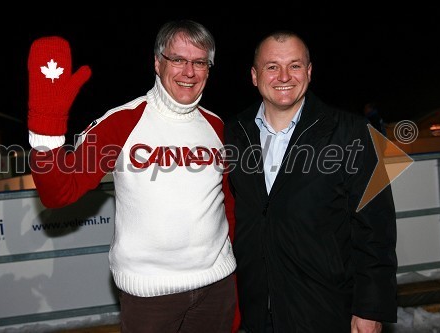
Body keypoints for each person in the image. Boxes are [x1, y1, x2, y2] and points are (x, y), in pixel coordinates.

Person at [27, 20, 239, 332]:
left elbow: (227, 205)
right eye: (178, 59)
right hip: (151, 295)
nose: (189, 72)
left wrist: (231, 281)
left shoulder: (218, 126)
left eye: (199, 62)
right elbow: (58, 193)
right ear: (157, 62)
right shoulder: (122, 123)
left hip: (216, 288)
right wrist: (45, 130)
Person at [224, 30, 397, 332]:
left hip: (326, 310)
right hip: (255, 311)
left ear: (309, 71)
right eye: (272, 66)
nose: (284, 76)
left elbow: (377, 229)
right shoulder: (233, 133)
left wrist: (370, 308)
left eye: (294, 65)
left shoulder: (356, 132)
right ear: (254, 75)